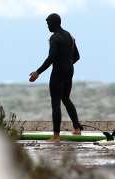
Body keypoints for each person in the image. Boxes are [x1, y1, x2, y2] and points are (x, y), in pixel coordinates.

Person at [29, 13, 82, 142]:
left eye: (48, 24)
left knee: (55, 103)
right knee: (66, 98)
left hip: (58, 72)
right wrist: (67, 64)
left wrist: (38, 72)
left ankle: (56, 135)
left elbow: (51, 58)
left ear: (54, 23)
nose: (47, 26)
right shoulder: (70, 36)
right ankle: (77, 128)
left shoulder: (55, 38)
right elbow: (77, 56)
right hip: (69, 71)